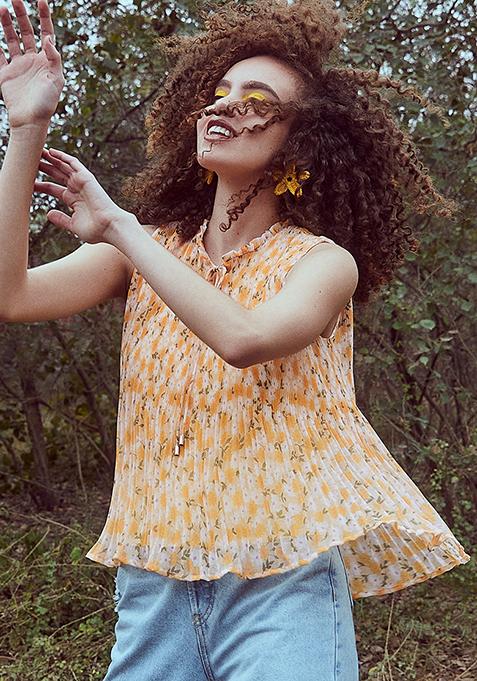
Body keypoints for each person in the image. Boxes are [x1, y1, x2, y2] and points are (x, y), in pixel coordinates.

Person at [0, 0, 470, 679]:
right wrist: (27, 125)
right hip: (154, 578)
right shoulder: (151, 251)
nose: (224, 108)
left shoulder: (321, 263)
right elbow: (10, 295)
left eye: (257, 101)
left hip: (280, 580)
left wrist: (121, 227)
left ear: (302, 140)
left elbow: (243, 338)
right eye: (218, 95)